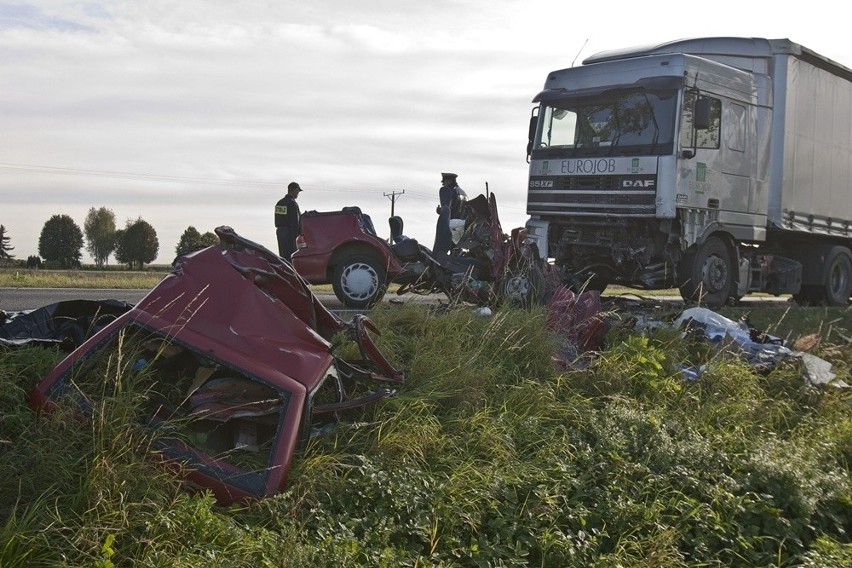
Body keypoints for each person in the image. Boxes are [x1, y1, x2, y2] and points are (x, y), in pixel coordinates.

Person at [433, 172, 466, 254]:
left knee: (448, 245)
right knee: (458, 247)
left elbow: (448, 208)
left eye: (444, 181)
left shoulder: (449, 191)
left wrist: (440, 211)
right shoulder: (462, 192)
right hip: (462, 223)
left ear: (449, 181)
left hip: (452, 223)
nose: (443, 184)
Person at [275, 181, 302, 259]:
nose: (298, 194)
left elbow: (277, 219)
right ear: (295, 190)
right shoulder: (292, 203)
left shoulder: (279, 203)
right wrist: (298, 235)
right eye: (298, 191)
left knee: (283, 256)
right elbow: (295, 221)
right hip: (290, 233)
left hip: (280, 232)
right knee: (292, 256)